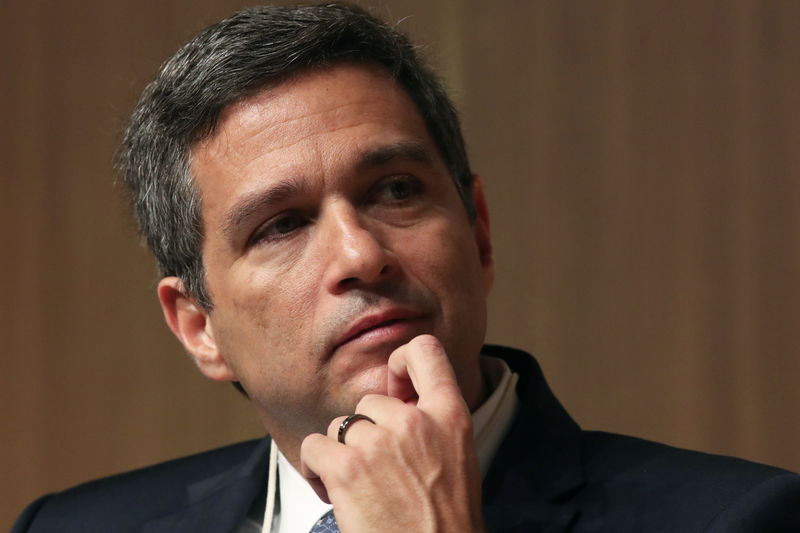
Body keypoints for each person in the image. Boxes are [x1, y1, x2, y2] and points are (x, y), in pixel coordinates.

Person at [12, 4, 800, 532]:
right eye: (281, 225)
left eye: (395, 190)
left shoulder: (742, 520)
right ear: (198, 325)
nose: (361, 256)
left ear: (479, 231)